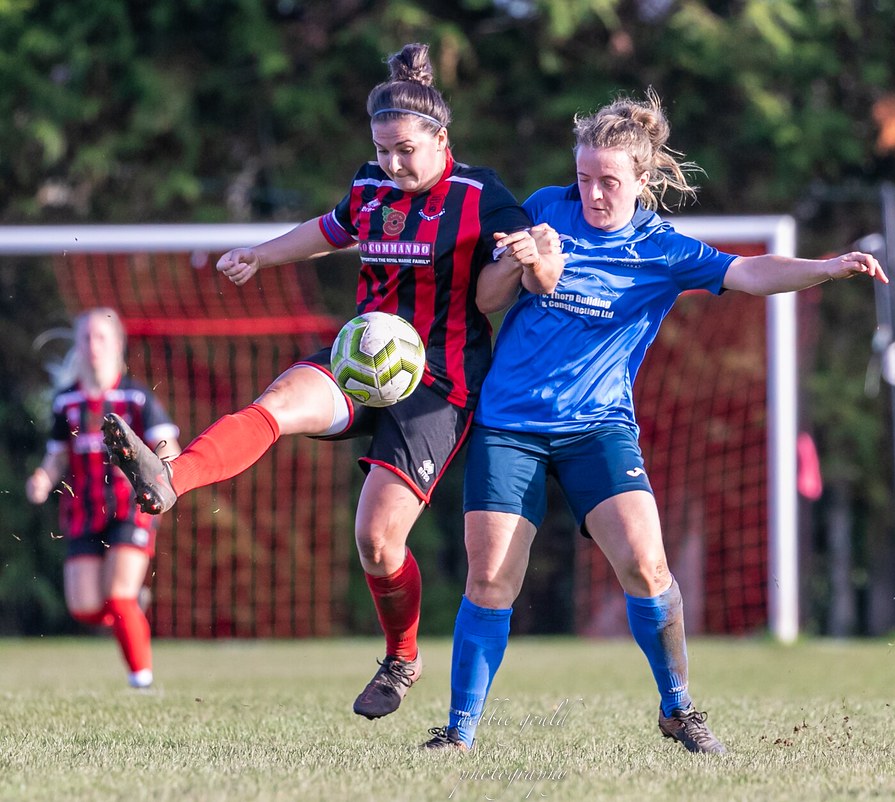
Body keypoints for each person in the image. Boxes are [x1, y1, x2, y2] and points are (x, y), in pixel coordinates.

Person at [101, 43, 560, 719]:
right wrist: (259, 255)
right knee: (277, 403)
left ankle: (403, 655)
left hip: (438, 381)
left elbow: (499, 296)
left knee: (377, 540)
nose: (393, 165)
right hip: (363, 355)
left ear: (442, 139)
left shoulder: (482, 198)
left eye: (406, 150)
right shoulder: (371, 186)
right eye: (382, 150)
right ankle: (171, 480)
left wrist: (526, 261)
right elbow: (332, 228)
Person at [423, 89, 888, 754]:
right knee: (490, 574)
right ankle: (460, 732)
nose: (592, 194)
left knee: (646, 563)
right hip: (510, 424)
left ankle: (678, 709)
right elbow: (487, 299)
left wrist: (829, 266)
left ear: (642, 180)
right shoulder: (545, 208)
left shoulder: (662, 248)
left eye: (608, 181)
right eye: (584, 178)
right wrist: (519, 261)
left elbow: (750, 272)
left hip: (599, 427)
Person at [25, 307, 181, 689]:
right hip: (83, 511)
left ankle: (141, 681)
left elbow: (168, 446)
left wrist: (166, 473)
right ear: (77, 345)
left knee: (118, 595)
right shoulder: (66, 402)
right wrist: (43, 478)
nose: (93, 345)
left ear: (117, 345)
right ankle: (131, 609)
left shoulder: (136, 397)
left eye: (101, 337)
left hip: (131, 509)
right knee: (83, 607)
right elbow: (58, 454)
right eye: (86, 337)